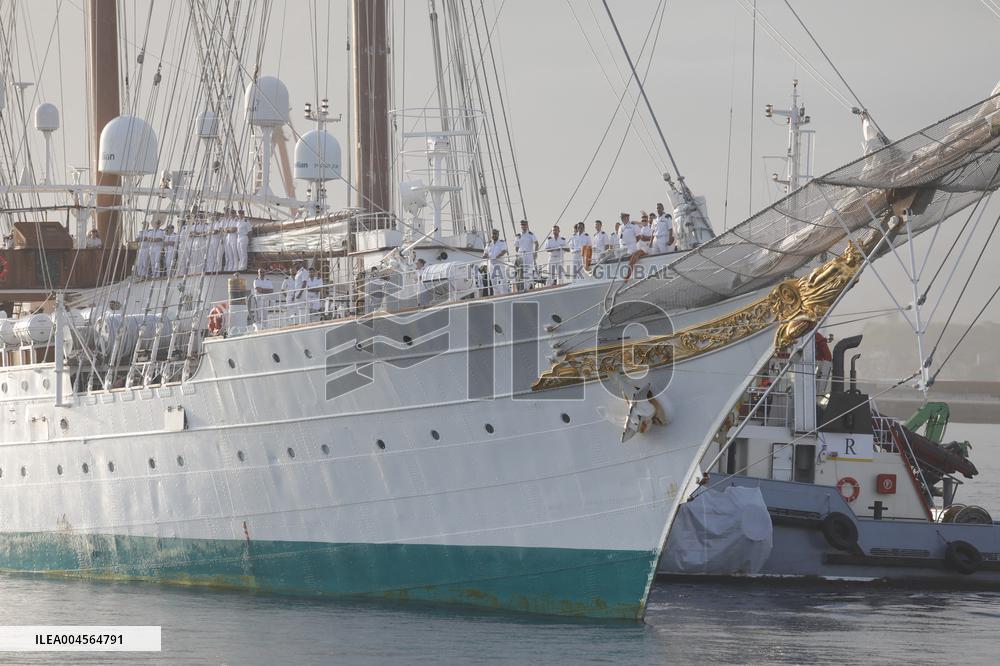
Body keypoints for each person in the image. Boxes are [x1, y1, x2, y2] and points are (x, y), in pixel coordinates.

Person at [483, 228, 510, 295]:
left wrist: (498, 256)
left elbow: (504, 250)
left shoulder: (501, 242)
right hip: (491, 265)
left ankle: (505, 294)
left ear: (498, 235)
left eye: (495, 234)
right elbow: (486, 252)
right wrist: (484, 255)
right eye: (493, 234)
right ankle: (496, 294)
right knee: (493, 281)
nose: (493, 235)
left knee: (502, 280)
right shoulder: (489, 244)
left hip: (499, 264)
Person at [514, 219, 538, 291]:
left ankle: (528, 287)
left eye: (524, 225)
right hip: (521, 254)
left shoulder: (531, 234)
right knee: (521, 271)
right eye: (522, 225)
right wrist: (518, 254)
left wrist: (535, 253)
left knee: (528, 271)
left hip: (528, 254)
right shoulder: (518, 236)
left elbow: (536, 243)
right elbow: (516, 247)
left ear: (527, 226)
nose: (523, 226)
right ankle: (523, 287)